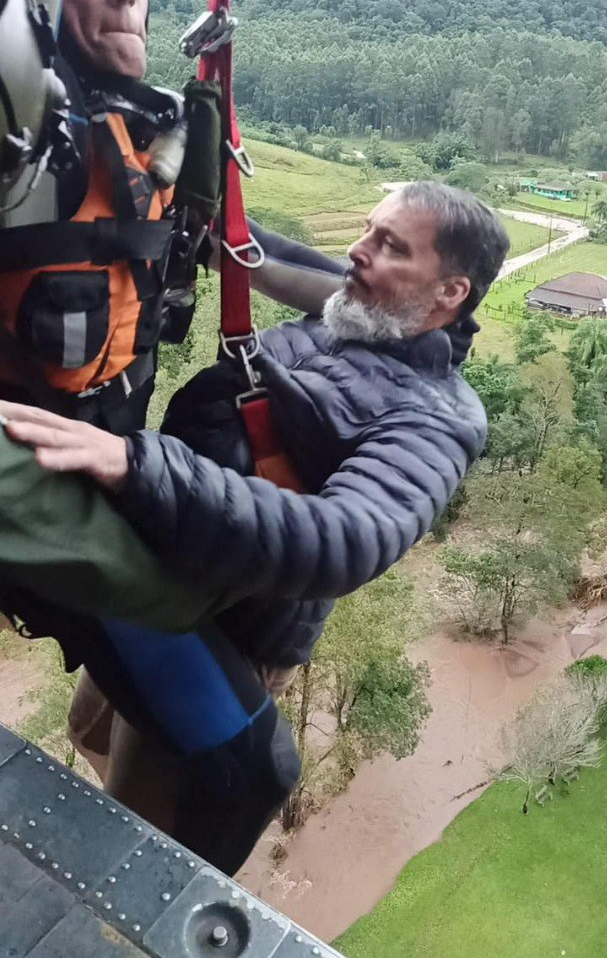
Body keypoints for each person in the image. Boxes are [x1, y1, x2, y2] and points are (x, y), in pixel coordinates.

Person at [1, 180, 510, 864]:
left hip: (233, 630)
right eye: (367, 228)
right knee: (90, 727)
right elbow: (249, 251)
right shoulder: (364, 307)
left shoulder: (436, 418)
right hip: (156, 566)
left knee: (142, 820)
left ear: (450, 291)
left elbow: (344, 539)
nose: (358, 251)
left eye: (391, 245)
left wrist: (137, 466)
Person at [0, 0, 343, 873]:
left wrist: (421, 323)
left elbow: (262, 258)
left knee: (184, 713)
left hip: (96, 476)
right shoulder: (24, 134)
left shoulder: (148, 148)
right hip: (33, 485)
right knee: (247, 765)